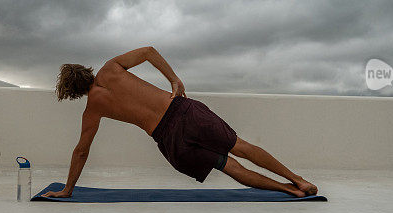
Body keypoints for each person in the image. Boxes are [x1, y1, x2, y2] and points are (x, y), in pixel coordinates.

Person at [42, 46, 318, 198]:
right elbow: (149, 51)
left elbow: (81, 150)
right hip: (184, 112)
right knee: (240, 147)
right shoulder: (111, 68)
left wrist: (68, 189)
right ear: (86, 71)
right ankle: (297, 180)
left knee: (229, 166)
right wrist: (173, 79)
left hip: (170, 139)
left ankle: (287, 190)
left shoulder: (92, 110)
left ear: (73, 92)